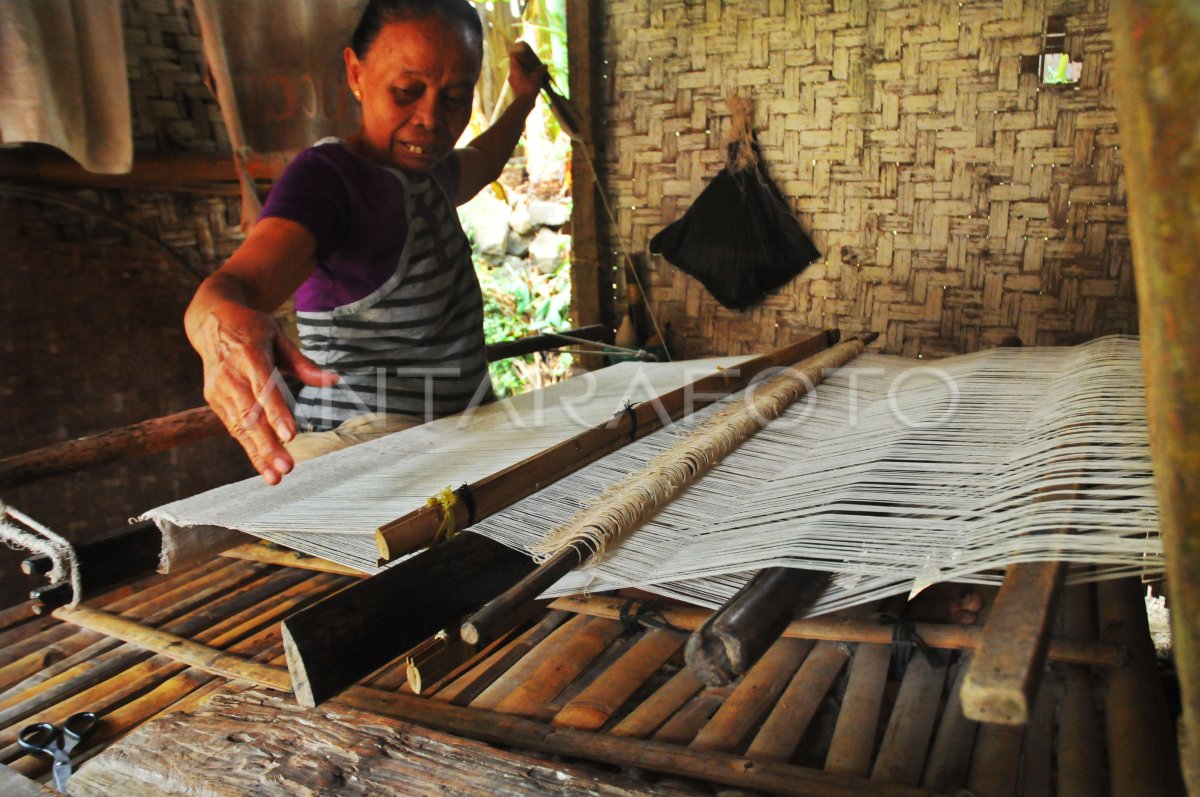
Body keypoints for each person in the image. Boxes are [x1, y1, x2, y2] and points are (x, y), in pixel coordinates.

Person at [185, 0, 546, 485]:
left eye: (456, 97)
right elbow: (232, 287)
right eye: (406, 91)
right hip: (363, 445)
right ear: (356, 73)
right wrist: (217, 329)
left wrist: (523, 99)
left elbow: (485, 157)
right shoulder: (328, 182)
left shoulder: (432, 173)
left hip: (462, 431)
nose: (430, 120)